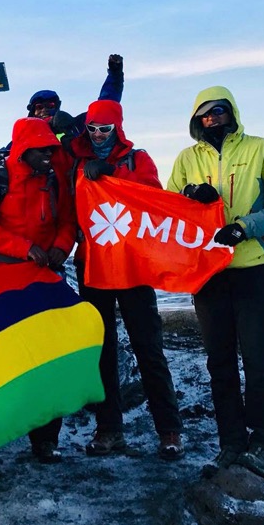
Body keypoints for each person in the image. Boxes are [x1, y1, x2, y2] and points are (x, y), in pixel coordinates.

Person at [167, 87, 264, 478]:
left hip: (255, 269)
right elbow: (168, 211)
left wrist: (245, 227)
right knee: (219, 363)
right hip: (208, 274)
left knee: (258, 362)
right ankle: (230, 443)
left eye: (220, 111)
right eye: (205, 114)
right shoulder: (186, 159)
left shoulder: (262, 150)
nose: (213, 119)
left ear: (233, 112)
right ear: (196, 119)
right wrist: (194, 198)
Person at [70, 99, 184, 460]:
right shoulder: (75, 160)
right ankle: (108, 430)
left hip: (134, 268)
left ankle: (169, 431)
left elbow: (152, 201)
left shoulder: (138, 160)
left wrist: (109, 177)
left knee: (148, 349)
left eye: (105, 129)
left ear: (117, 128)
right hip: (93, 266)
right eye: (92, 129)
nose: (99, 135)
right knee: (102, 353)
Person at [0, 117, 77, 463]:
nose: (48, 154)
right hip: (4, 282)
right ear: (23, 149)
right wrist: (23, 247)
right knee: (10, 360)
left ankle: (46, 440)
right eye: (41, 149)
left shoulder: (55, 179)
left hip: (45, 278)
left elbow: (68, 221)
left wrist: (62, 246)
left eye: (51, 148)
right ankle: (6, 429)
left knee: (50, 359)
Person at [28, 53, 124, 142]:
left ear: (57, 108)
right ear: (32, 111)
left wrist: (115, 75)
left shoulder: (75, 125)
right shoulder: (25, 134)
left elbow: (104, 107)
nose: (44, 110)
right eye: (39, 107)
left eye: (50, 105)